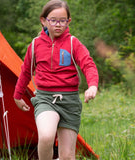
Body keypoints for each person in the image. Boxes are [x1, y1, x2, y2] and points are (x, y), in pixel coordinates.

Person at [14, 0, 99, 159]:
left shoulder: (73, 43)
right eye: (53, 20)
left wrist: (92, 86)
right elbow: (26, 71)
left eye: (62, 21)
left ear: (69, 21)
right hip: (45, 98)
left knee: (67, 157)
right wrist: (17, 96)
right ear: (43, 20)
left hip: (70, 102)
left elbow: (88, 65)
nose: (58, 25)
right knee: (46, 136)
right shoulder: (35, 45)